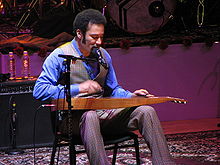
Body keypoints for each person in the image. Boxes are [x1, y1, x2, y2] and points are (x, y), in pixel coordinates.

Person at [33, 9, 176, 165]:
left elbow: (113, 90)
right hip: (72, 120)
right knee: (90, 116)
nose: (99, 42)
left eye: (101, 37)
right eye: (94, 37)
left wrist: (132, 97)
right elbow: (39, 90)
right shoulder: (59, 56)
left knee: (146, 111)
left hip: (104, 115)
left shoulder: (104, 55)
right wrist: (79, 88)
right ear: (80, 34)